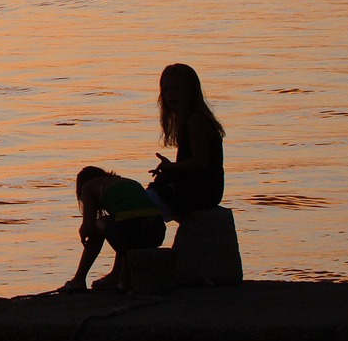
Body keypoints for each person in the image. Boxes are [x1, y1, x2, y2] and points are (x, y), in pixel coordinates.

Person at [61, 165, 166, 292]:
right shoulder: (128, 182)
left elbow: (88, 227)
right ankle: (116, 274)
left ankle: (79, 279)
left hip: (133, 232)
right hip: (157, 233)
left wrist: (83, 233)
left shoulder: (88, 186)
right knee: (119, 221)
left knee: (100, 223)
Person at [147, 63, 225, 221]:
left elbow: (201, 163)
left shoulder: (195, 121)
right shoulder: (190, 120)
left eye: (176, 89)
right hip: (201, 189)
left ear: (190, 90)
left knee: (136, 205)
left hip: (202, 192)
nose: (170, 95)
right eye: (166, 90)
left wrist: (172, 168)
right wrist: (170, 171)